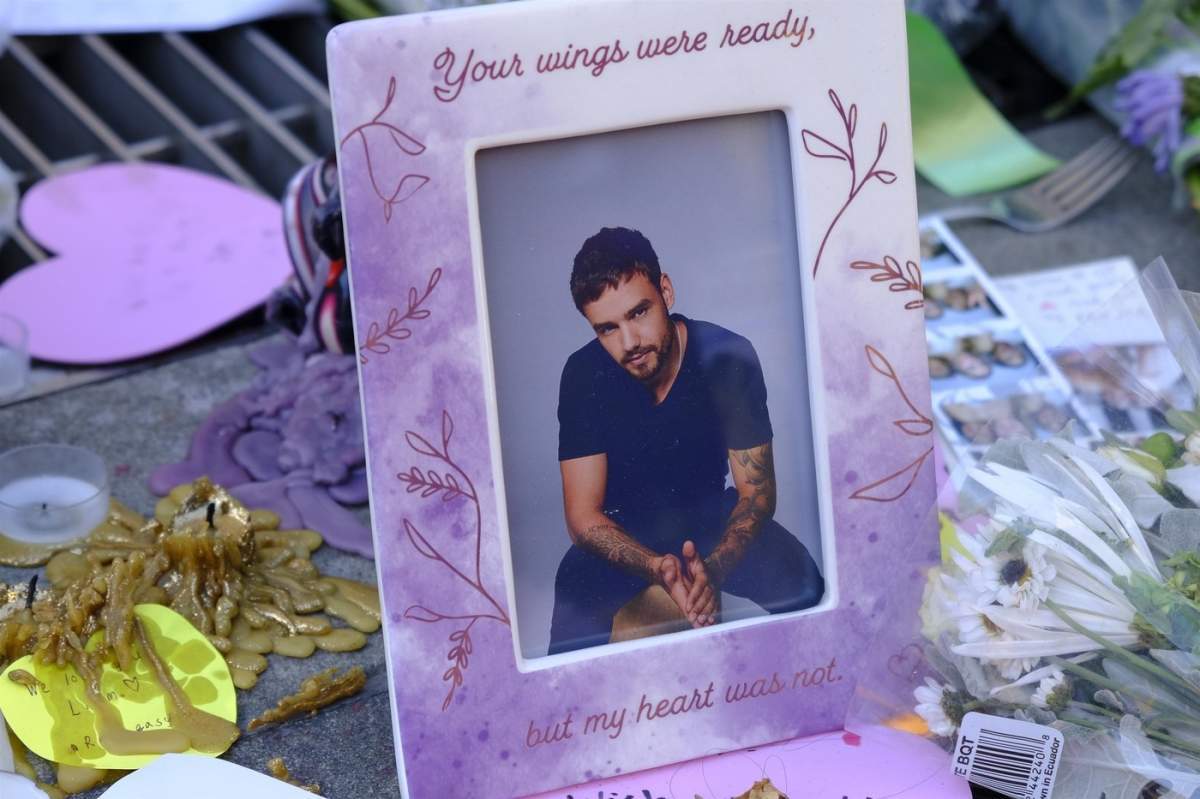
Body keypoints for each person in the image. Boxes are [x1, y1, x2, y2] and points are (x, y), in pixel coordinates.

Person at [548, 226, 824, 655]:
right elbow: (583, 515)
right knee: (568, 654)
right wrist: (656, 568)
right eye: (607, 329)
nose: (629, 342)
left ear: (666, 291)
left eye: (639, 313)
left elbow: (756, 494)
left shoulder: (726, 357)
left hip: (712, 517)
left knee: (811, 595)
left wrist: (713, 570)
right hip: (626, 530)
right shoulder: (584, 374)